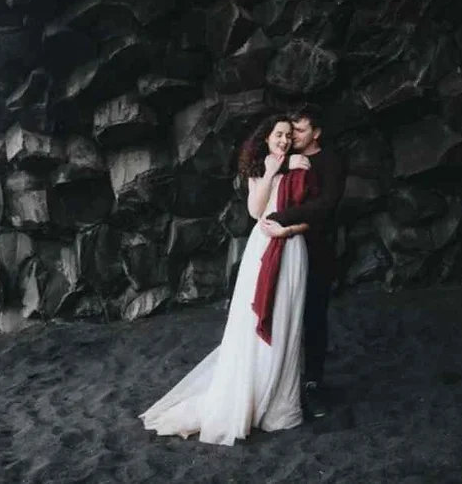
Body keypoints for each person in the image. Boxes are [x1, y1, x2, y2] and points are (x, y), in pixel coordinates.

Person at [139, 115, 315, 446]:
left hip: (292, 249)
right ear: (267, 138)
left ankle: (278, 403)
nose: (284, 141)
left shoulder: (301, 167)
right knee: (252, 326)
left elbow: (310, 215)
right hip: (263, 247)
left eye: (289, 137)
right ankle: (250, 394)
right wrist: (275, 169)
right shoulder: (260, 168)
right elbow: (255, 210)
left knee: (287, 322)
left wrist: (289, 226)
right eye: (279, 135)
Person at [259, 105, 347, 419]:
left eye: (300, 130)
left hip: (316, 249)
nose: (293, 136)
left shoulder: (330, 161)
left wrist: (285, 219)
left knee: (313, 317)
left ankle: (312, 383)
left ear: (316, 133)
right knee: (282, 312)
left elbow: (325, 205)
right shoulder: (284, 158)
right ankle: (280, 382)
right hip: (282, 249)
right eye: (290, 130)